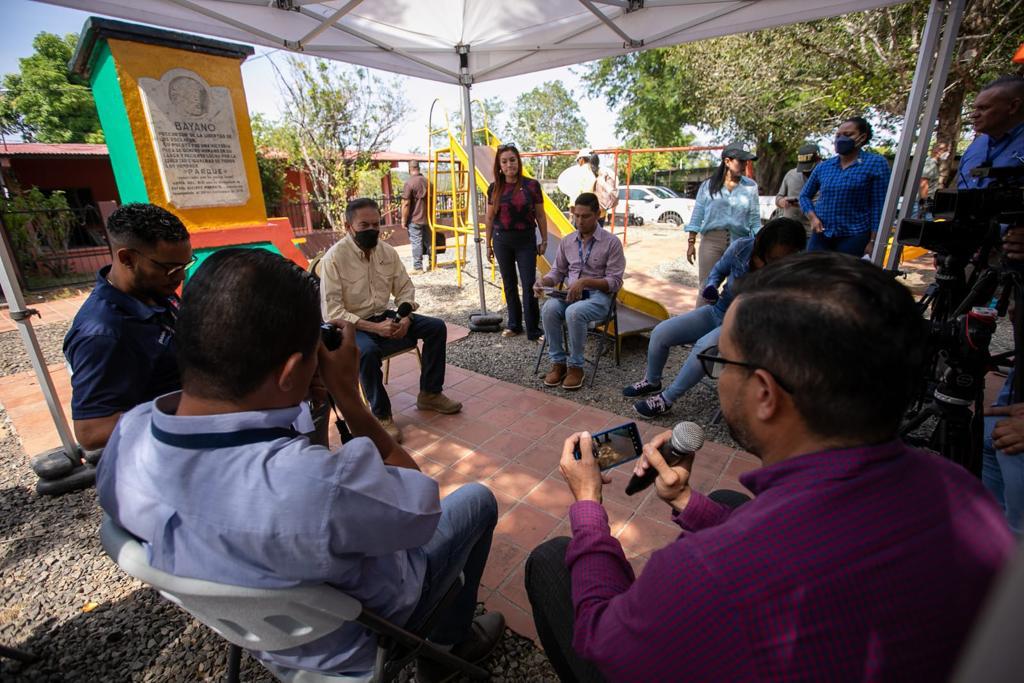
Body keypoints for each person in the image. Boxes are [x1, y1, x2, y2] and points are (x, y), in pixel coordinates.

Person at [525, 252, 1014, 682]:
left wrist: (588, 506)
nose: (716, 375)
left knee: (553, 559)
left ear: (764, 394)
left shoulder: (705, 574)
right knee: (721, 503)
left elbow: (604, 641)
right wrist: (686, 502)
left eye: (720, 361)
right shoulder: (960, 489)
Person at [96, 248, 503, 681]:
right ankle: (446, 650)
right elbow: (419, 510)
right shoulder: (316, 485)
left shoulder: (129, 435)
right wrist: (350, 399)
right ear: (292, 371)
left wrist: (295, 400)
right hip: (365, 636)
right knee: (477, 500)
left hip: (260, 631)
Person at [625, 217, 806, 418]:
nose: (778, 263)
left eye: (786, 257)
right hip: (719, 310)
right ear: (761, 243)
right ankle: (652, 381)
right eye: (773, 257)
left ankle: (667, 399)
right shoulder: (741, 247)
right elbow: (718, 271)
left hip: (744, 324)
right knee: (661, 332)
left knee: (705, 347)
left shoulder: (793, 272)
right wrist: (711, 286)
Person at [319, 198, 462, 444]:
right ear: (348, 227)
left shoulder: (387, 252)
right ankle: (381, 415)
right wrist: (375, 328)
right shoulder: (333, 259)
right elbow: (332, 311)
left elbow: (405, 289)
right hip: (353, 326)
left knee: (436, 327)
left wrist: (405, 317)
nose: (371, 230)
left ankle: (430, 393)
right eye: (364, 225)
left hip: (384, 316)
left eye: (376, 224)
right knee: (366, 352)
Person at [63, 203, 193, 451]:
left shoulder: (154, 291)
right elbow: (92, 431)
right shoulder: (103, 334)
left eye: (184, 266)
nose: (180, 277)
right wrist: (195, 411)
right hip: (162, 451)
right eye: (171, 268)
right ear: (127, 259)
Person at [962, 76, 1024, 534]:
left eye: (985, 107)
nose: (976, 114)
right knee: (990, 438)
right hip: (980, 255)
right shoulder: (978, 148)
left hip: (1009, 264)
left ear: (1015, 106)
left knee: (1006, 447)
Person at [534, 192, 625, 391]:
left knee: (574, 312)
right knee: (549, 308)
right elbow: (557, 271)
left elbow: (615, 282)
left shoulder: (611, 243)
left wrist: (585, 282)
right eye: (576, 216)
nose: (580, 221)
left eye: (586, 216)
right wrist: (543, 281)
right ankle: (558, 363)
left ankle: (576, 366)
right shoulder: (567, 241)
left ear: (598, 215)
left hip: (600, 298)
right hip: (571, 295)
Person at [799, 116, 891, 256]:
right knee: (812, 268)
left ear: (862, 137)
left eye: (848, 135)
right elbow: (804, 195)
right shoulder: (824, 166)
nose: (841, 139)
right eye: (838, 135)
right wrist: (813, 217)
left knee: (844, 270)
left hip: (854, 236)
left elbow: (879, 206)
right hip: (822, 234)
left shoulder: (876, 164)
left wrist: (873, 241)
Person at [685, 141, 760, 307]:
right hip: (712, 242)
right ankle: (700, 321)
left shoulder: (751, 187)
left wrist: (760, 243)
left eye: (746, 162)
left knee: (737, 289)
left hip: (740, 243)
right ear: (727, 161)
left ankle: (728, 321)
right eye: (741, 161)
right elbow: (697, 215)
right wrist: (691, 242)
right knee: (706, 288)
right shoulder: (708, 186)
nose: (744, 165)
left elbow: (755, 219)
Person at [484, 143, 547, 340]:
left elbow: (540, 215)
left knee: (529, 283)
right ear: (499, 166)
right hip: (501, 241)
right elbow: (489, 218)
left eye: (512, 160)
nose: (509, 165)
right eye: (504, 161)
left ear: (518, 162)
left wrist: (544, 239)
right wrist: (487, 244)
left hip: (526, 240)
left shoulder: (532, 186)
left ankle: (534, 329)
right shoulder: (494, 188)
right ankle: (514, 325)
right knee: (509, 283)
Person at [774, 142, 820, 233]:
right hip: (789, 229)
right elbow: (778, 197)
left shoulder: (825, 177)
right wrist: (781, 202)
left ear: (818, 160)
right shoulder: (791, 174)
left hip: (812, 230)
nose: (805, 172)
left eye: (809, 169)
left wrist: (802, 204)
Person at [402, 160, 431, 273]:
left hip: (415, 219)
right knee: (429, 241)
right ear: (418, 168)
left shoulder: (409, 183)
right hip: (428, 218)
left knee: (416, 242)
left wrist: (403, 220)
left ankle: (418, 267)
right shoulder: (428, 182)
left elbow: (406, 203)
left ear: (409, 169)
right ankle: (432, 263)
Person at [919, 141, 950, 217]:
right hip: (926, 202)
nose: (947, 153)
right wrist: (924, 204)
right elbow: (923, 183)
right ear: (937, 151)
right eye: (945, 150)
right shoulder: (930, 164)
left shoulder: (934, 164)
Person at [589, 153, 619, 227]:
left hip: (592, 210)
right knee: (599, 230)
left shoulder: (591, 175)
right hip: (602, 209)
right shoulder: (604, 173)